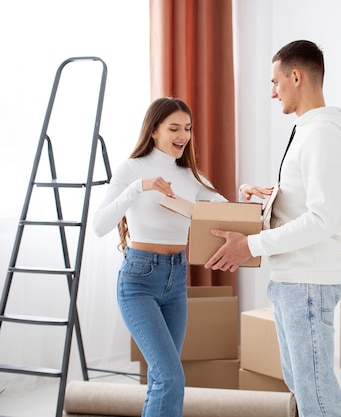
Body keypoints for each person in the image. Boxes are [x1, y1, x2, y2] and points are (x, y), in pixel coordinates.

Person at [206, 40, 341, 417]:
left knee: (316, 396)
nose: (272, 91)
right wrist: (270, 196)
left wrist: (252, 244)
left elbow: (323, 219)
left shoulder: (322, 134)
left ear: (297, 76)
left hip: (306, 280)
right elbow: (307, 203)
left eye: (275, 81)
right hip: (293, 277)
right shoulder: (309, 130)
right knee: (303, 386)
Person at [92, 97, 227, 417]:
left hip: (176, 281)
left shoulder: (191, 175)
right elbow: (99, 226)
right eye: (174, 128)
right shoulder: (132, 169)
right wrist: (138, 187)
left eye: (189, 129)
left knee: (161, 376)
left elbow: (223, 206)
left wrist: (247, 190)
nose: (184, 135)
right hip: (139, 281)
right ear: (153, 131)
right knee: (170, 377)